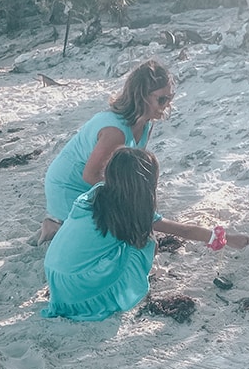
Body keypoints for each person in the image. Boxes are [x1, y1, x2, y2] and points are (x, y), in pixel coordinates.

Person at [41, 147, 249, 321]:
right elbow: (184, 230)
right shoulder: (131, 211)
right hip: (78, 290)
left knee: (121, 240)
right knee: (147, 241)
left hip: (55, 276)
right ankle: (136, 284)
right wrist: (228, 239)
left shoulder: (94, 194)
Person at [38, 59, 175, 244]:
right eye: (162, 99)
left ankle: (61, 223)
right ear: (141, 96)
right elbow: (90, 175)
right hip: (70, 185)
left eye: (170, 98)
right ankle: (56, 223)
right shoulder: (115, 132)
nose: (167, 105)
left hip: (94, 183)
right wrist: (127, 198)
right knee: (111, 237)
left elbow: (131, 166)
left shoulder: (146, 124)